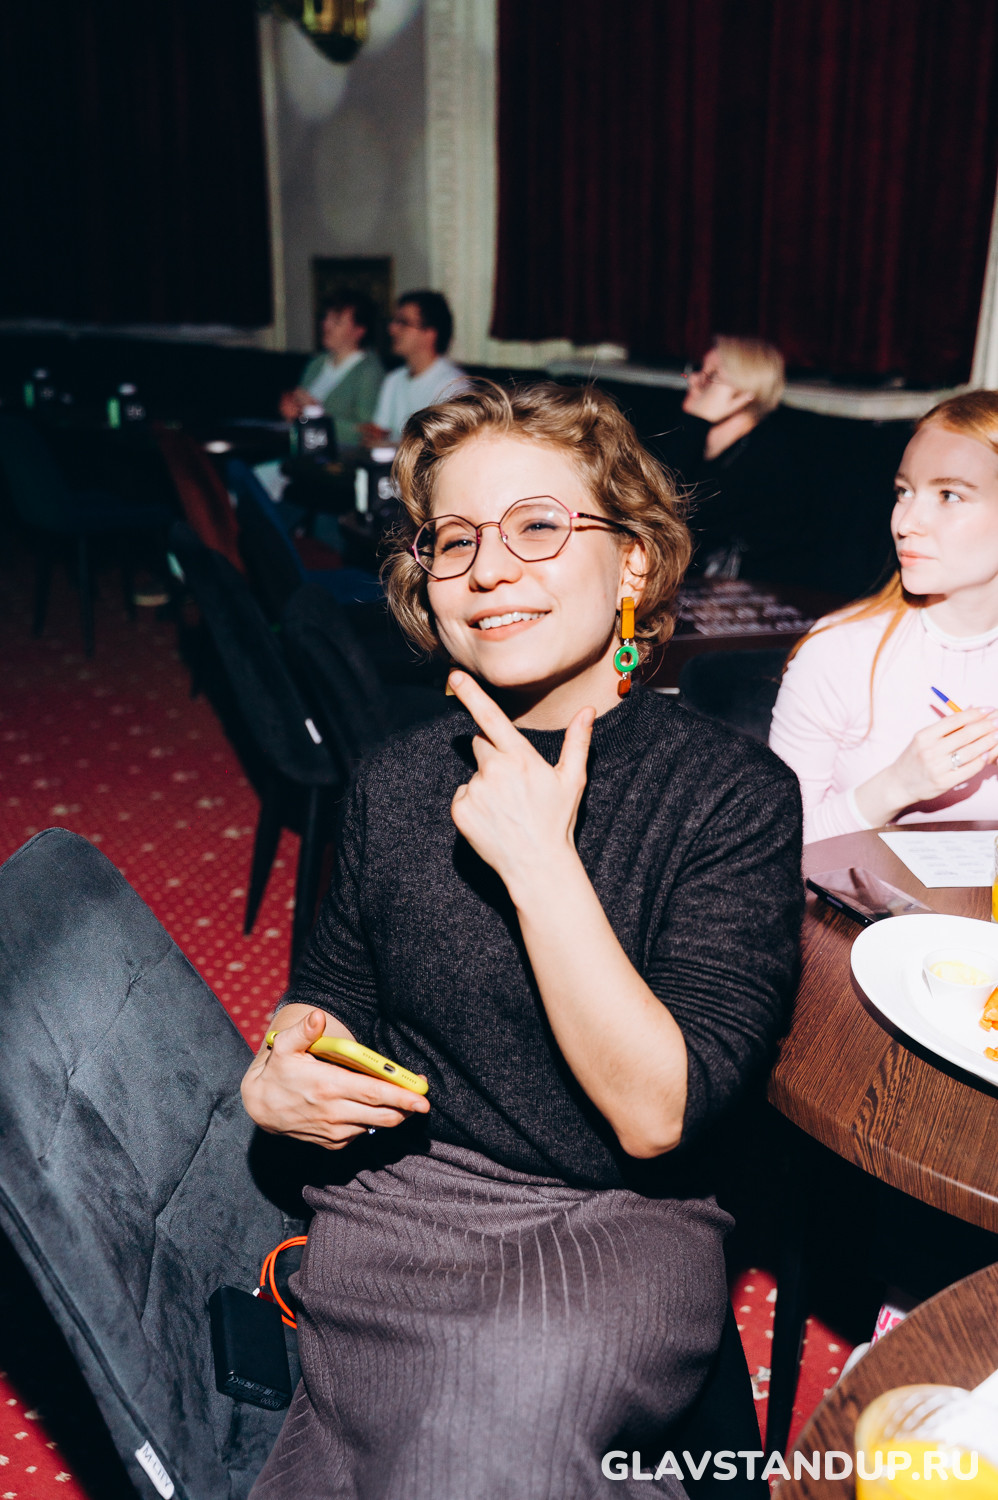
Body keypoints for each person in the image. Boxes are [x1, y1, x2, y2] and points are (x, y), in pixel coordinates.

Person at [241, 380, 803, 1498]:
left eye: (538, 526)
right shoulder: (395, 779)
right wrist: (279, 1066)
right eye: (454, 540)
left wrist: (541, 863)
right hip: (396, 1208)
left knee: (480, 1446)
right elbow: (329, 996)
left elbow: (654, 1116)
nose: (487, 570)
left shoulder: (730, 796)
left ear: (632, 563)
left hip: (615, 1234)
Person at [769, 390, 998, 844]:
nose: (905, 522)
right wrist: (898, 785)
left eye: (948, 495)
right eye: (904, 492)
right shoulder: (838, 653)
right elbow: (768, 851)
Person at [651, 336, 812, 584]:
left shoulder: (768, 458)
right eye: (698, 370)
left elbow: (663, 510)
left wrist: (695, 422)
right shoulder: (695, 439)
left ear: (745, 393)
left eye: (711, 376)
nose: (693, 380)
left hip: (740, 593)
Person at [359, 289, 469, 448]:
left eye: (403, 323)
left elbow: (442, 448)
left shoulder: (453, 385)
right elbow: (379, 432)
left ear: (429, 334)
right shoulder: (394, 379)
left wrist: (387, 444)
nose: (392, 329)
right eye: (394, 321)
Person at [278, 290, 384, 449]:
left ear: (359, 331)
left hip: (341, 456)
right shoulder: (317, 363)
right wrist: (291, 410)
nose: (326, 325)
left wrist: (315, 414)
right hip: (303, 449)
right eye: (326, 318)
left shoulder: (369, 372)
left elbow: (366, 432)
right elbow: (299, 415)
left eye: (337, 322)